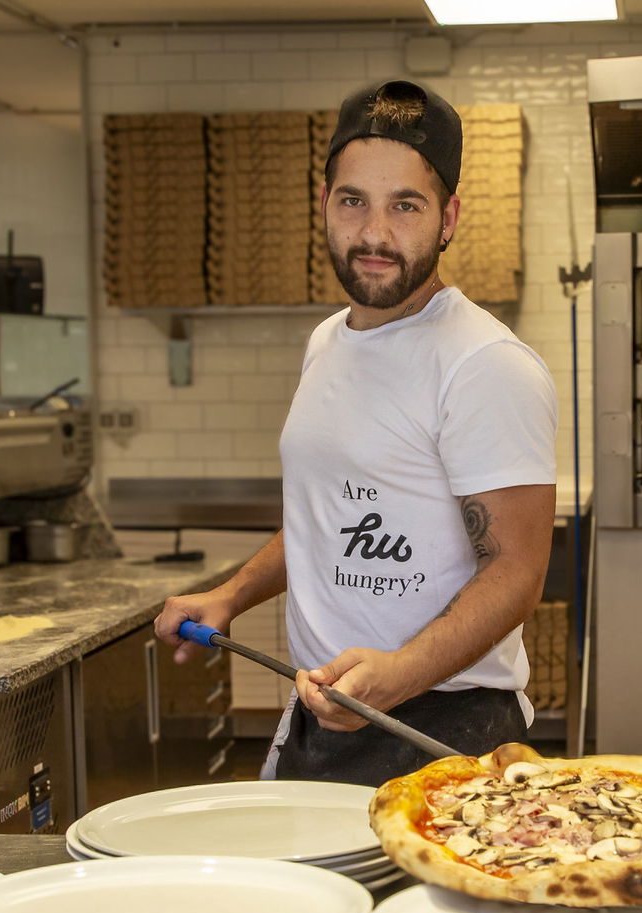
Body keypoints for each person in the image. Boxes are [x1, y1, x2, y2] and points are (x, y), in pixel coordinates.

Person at [154, 79, 557, 786]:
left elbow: (517, 573)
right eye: (353, 202)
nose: (374, 234)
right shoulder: (327, 343)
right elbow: (327, 517)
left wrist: (399, 674)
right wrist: (232, 595)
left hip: (443, 728)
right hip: (326, 714)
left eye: (405, 205)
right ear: (324, 204)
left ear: (448, 217)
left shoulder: (485, 364)